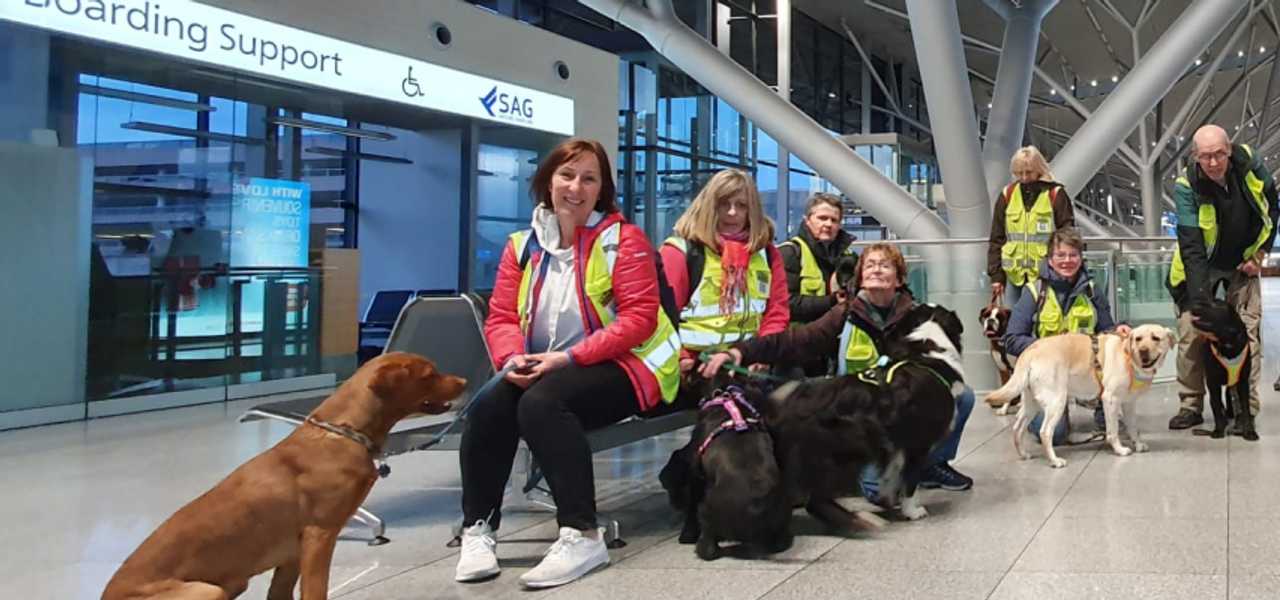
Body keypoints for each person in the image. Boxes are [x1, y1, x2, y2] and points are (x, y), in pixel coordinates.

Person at [454, 139, 681, 588]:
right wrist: (512, 357)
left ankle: (582, 534)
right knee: (488, 405)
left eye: (589, 178)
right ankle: (477, 528)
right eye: (566, 175)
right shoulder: (520, 246)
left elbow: (638, 320)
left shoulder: (623, 240)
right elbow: (500, 316)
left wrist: (567, 357)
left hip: (623, 365)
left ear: (602, 191)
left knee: (541, 404)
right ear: (548, 181)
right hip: (543, 363)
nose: (576, 187)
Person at [700, 242, 976, 492]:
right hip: (858, 411)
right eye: (870, 265)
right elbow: (796, 340)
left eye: (885, 265)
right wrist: (742, 351)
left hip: (902, 409)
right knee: (876, 492)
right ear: (860, 277)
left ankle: (929, 464)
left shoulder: (918, 318)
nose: (876, 270)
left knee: (962, 396)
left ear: (900, 278)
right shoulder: (845, 315)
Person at [1166, 125, 1277, 431]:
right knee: (1191, 331)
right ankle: (1190, 405)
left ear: (1229, 150)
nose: (1213, 162)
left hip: (1243, 262)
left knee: (1248, 334)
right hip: (1201, 264)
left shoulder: (1250, 164)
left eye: (1219, 154)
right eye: (1205, 156)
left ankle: (1245, 410)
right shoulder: (1187, 184)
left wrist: (1260, 254)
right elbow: (1191, 244)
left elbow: (1272, 207)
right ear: (1195, 156)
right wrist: (1200, 300)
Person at [1003, 227, 1131, 444]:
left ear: (1081, 259)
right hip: (1048, 373)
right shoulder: (1033, 292)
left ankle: (1100, 410)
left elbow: (1106, 330)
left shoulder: (1092, 291)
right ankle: (1056, 410)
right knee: (1056, 436)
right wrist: (1050, 350)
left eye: (1073, 255)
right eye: (1060, 255)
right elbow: (1012, 339)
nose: (1067, 260)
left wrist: (1118, 330)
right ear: (1050, 259)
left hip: (1085, 371)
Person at [660, 168, 790, 377]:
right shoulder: (681, 253)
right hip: (693, 368)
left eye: (741, 206)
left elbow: (776, 312)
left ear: (752, 211)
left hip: (746, 365)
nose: (732, 212)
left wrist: (761, 354)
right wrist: (682, 357)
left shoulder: (767, 254)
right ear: (710, 207)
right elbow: (661, 318)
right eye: (724, 204)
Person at [778, 192, 859, 375]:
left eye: (834, 220)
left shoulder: (849, 257)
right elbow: (785, 304)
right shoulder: (790, 253)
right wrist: (832, 301)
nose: (828, 224)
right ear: (807, 220)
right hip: (798, 353)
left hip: (836, 351)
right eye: (822, 218)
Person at [987, 146, 1076, 307]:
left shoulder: (1055, 194)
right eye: (1019, 173)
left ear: (1039, 169)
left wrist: (1065, 269)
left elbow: (1068, 235)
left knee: (1045, 322)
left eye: (1028, 172)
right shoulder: (1007, 195)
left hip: (1047, 274)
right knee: (1014, 324)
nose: (1024, 177)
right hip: (1014, 275)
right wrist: (996, 277)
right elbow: (996, 238)